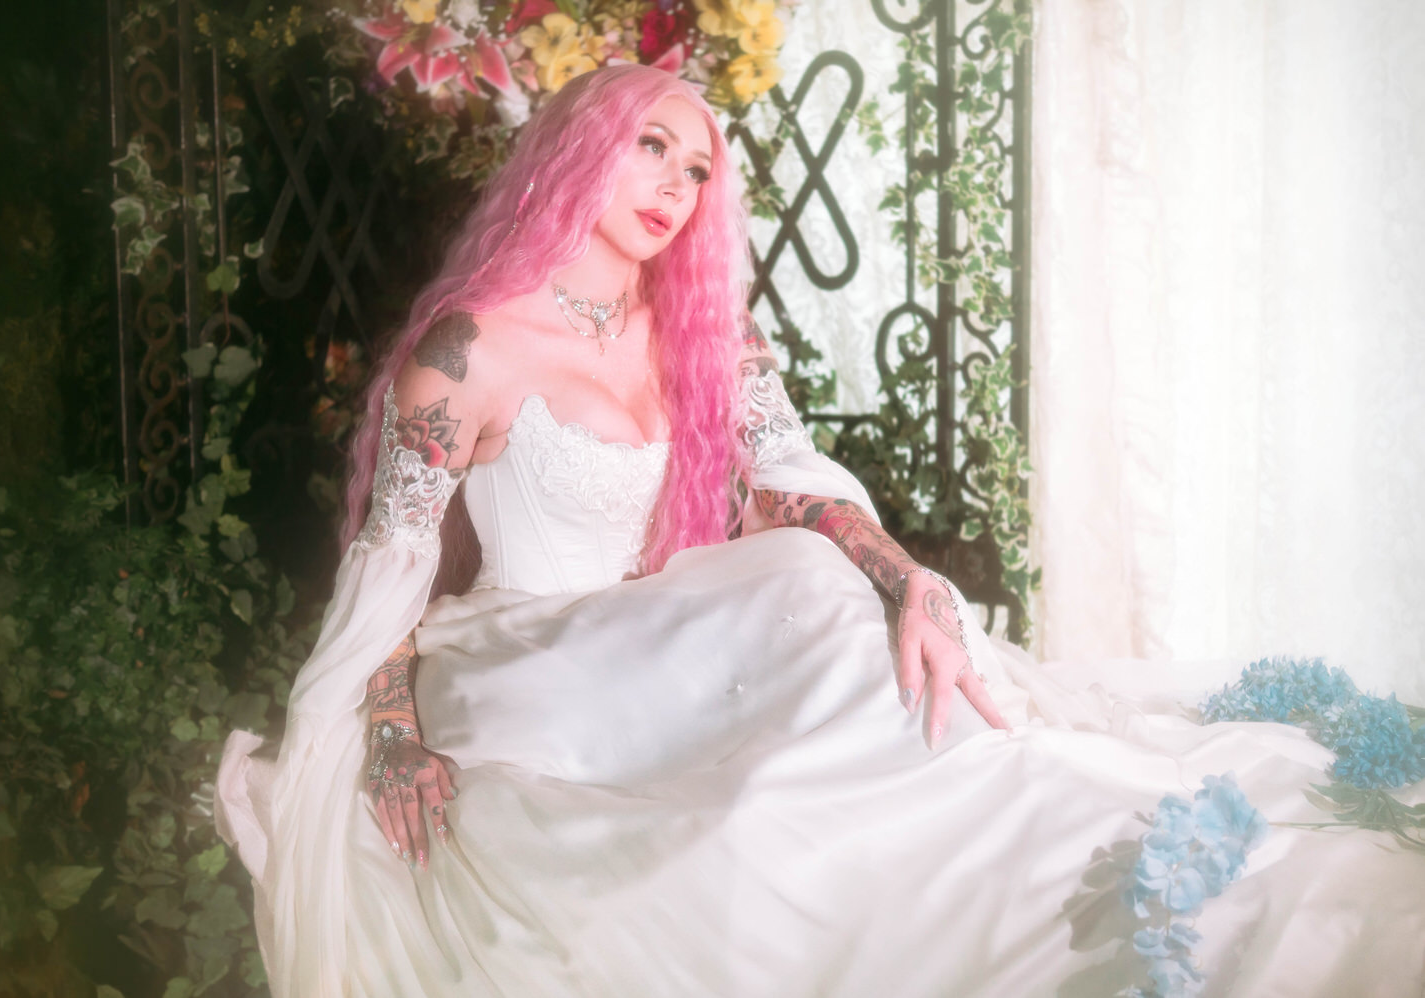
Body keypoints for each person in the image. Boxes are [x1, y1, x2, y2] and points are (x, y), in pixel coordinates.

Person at [217, 65, 1425, 998]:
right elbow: (394, 569)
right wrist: (388, 735)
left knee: (835, 604)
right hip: (537, 664)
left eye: (696, 172)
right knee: (753, 791)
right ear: (578, 148)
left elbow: (784, 480)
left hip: (667, 636)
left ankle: (1075, 843)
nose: (673, 189)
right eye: (651, 147)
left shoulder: (698, 336)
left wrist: (908, 578)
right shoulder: (469, 348)